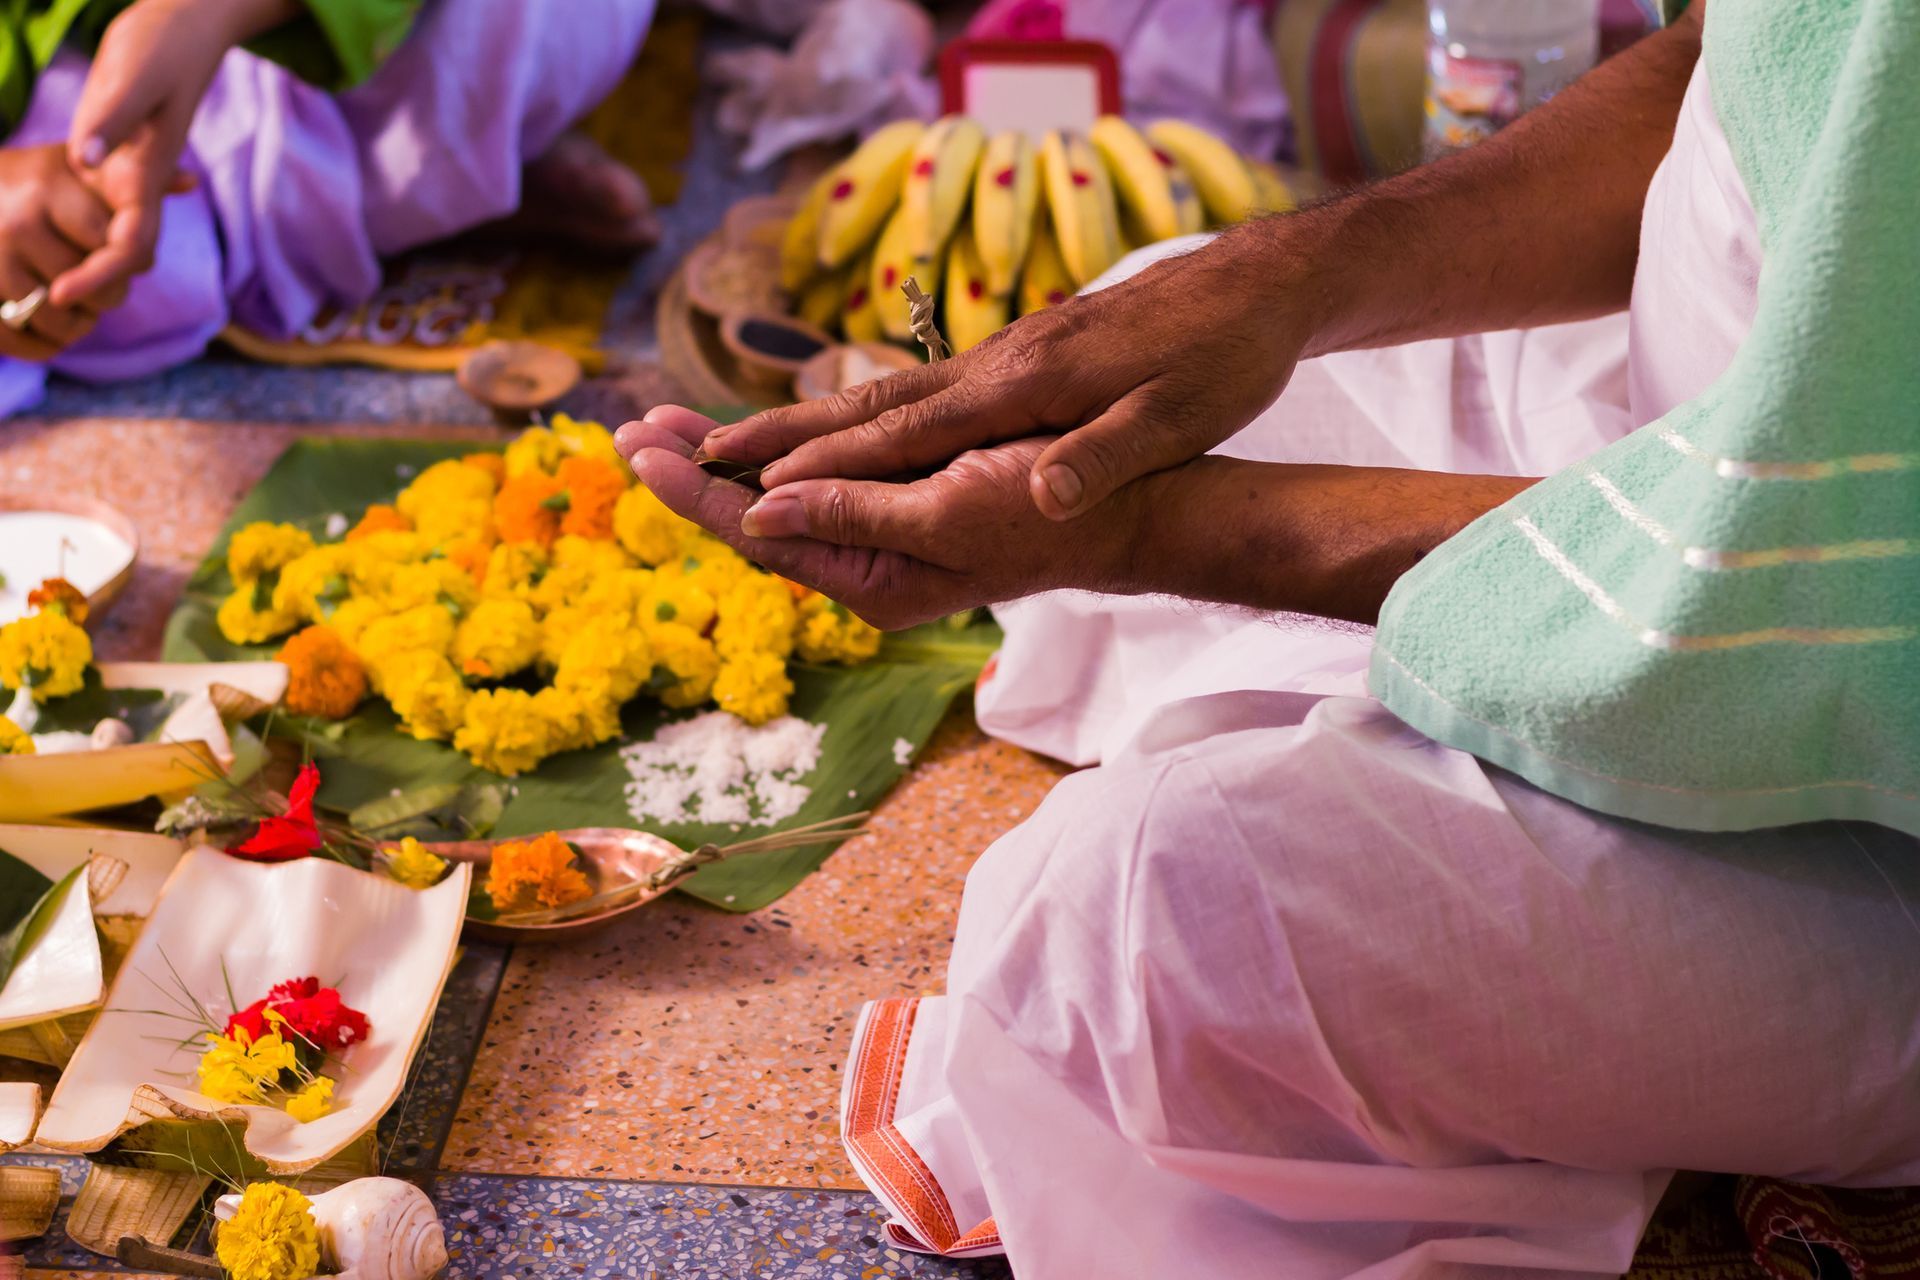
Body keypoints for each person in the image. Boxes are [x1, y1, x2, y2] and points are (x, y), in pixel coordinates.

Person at [616, 0, 1920, 1274]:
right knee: (1115, 366)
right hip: (1728, 444)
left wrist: (1142, 534)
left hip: (1848, 731)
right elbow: (1725, 62)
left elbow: (1771, 582)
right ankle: (1455, 807)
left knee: (1154, 915)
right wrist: (1282, 285)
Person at [0, 0, 661, 416]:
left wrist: (209, 12)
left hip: (324, 35)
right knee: (116, 258)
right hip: (46, 104)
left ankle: (402, 196)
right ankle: (428, 201)